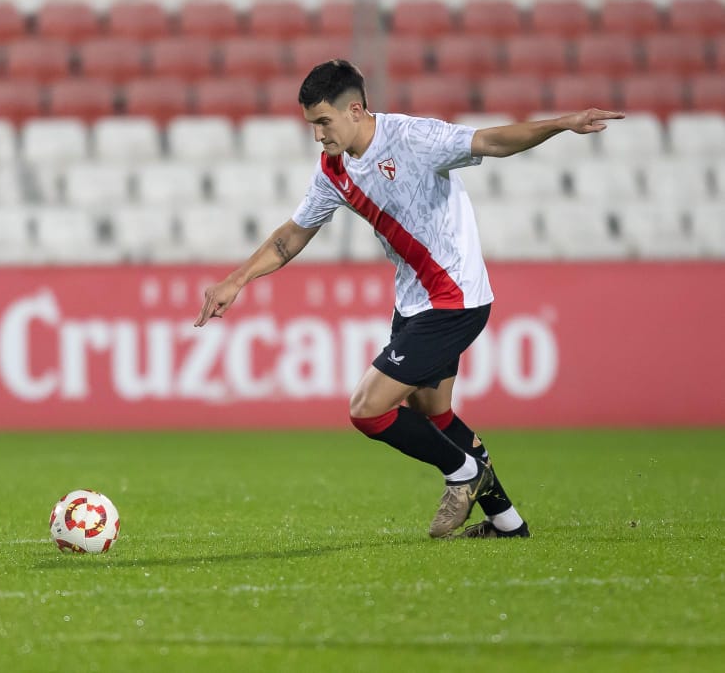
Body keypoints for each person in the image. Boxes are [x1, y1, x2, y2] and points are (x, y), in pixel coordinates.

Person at [195, 59, 624, 540]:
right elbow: (291, 237)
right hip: (415, 301)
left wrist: (560, 124)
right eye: (311, 125)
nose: (317, 135)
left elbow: (490, 141)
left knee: (367, 409)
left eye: (323, 122)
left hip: (455, 298)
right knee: (433, 412)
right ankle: (507, 523)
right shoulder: (334, 170)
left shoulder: (412, 139)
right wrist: (235, 280)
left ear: (354, 109)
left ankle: (462, 472)